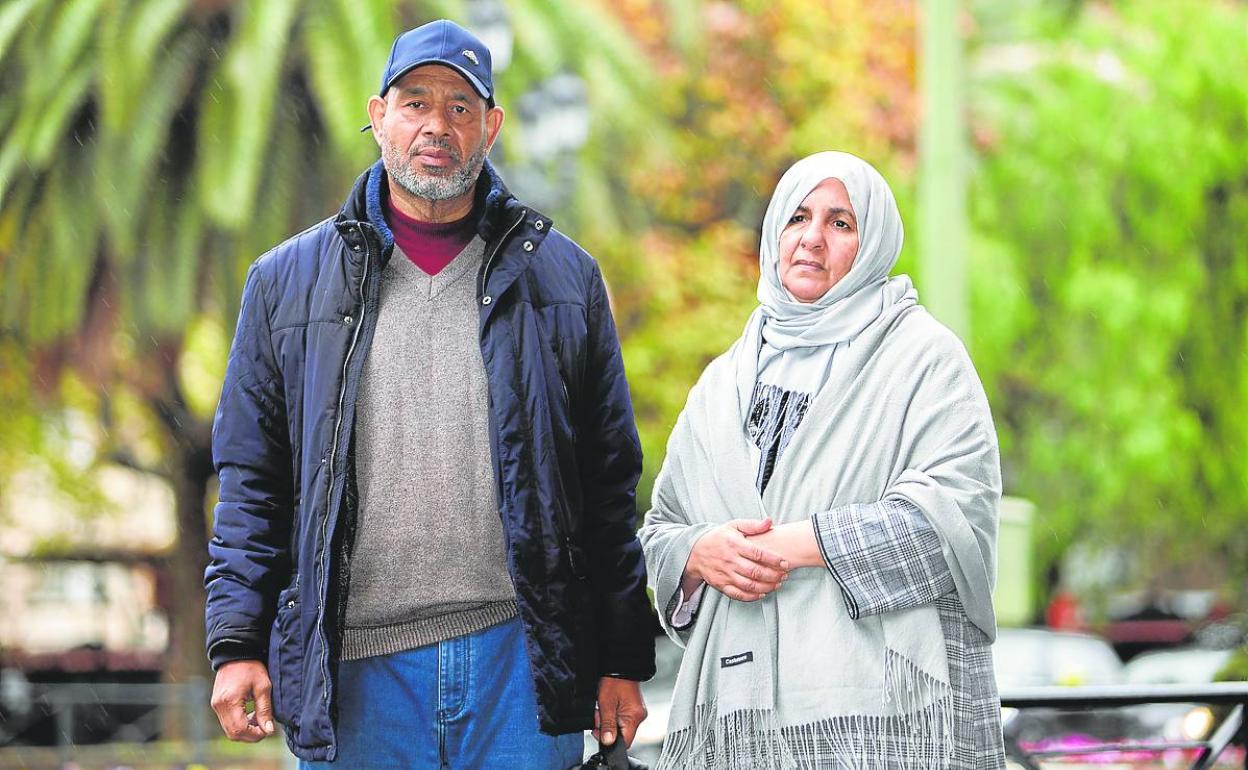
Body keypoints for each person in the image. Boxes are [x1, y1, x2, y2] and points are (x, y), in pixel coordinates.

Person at [203, 19, 655, 768]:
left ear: (491, 128)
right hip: (353, 671)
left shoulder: (564, 281)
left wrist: (620, 654)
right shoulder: (283, 284)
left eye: (459, 107)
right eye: (415, 103)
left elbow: (608, 484)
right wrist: (236, 642)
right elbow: (254, 483)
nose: (436, 126)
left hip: (521, 662)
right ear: (379, 115)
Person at [639, 152, 1004, 769]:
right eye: (798, 218)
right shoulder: (724, 382)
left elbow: (954, 521)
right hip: (740, 722)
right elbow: (662, 529)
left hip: (884, 726)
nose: (812, 239)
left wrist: (787, 546)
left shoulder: (923, 359)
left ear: (873, 243)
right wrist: (702, 553)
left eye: (841, 223)